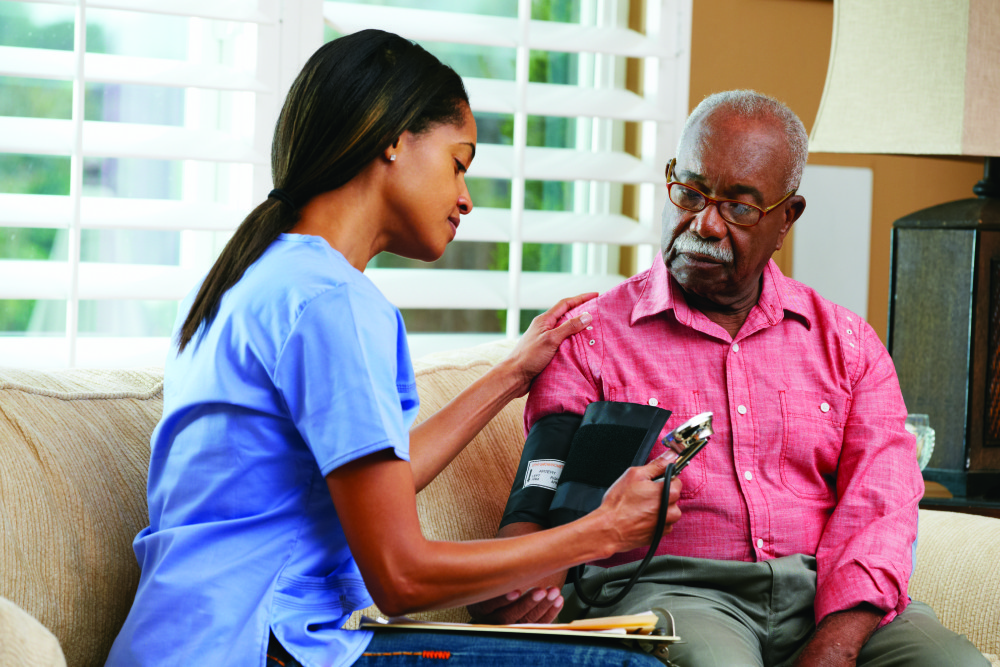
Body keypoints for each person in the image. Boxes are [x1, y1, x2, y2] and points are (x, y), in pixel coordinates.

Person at [104, 30, 684, 667]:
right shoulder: (333, 303)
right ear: (394, 138)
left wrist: (511, 374)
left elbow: (378, 480)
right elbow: (400, 577)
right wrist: (597, 532)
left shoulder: (248, 280)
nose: (466, 198)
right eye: (458, 162)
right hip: (260, 646)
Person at [471, 90, 989, 666]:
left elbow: (882, 506)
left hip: (827, 598)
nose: (705, 224)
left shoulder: (848, 345)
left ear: (786, 218)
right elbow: (540, 500)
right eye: (690, 192)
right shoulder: (590, 339)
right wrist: (512, 580)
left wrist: (836, 646)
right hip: (673, 594)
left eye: (740, 207)